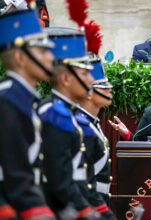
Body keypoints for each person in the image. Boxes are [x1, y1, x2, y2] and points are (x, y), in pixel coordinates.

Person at [0, 9, 56, 219]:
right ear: (19, 57)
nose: (52, 57)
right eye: (43, 51)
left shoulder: (26, 101)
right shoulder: (7, 101)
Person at [38, 29, 99, 219]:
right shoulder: (55, 115)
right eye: (85, 73)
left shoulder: (68, 114)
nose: (92, 79)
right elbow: (60, 179)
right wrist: (86, 210)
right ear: (65, 79)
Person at [76, 53, 116, 219]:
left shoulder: (92, 121)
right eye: (102, 86)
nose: (110, 88)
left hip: (97, 203)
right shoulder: (79, 124)